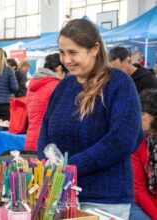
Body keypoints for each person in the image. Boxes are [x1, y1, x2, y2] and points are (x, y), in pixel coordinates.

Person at [38, 19, 143, 219]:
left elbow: (122, 139)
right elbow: (45, 130)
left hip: (104, 199)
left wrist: (70, 168)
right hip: (60, 194)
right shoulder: (63, 87)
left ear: (94, 49)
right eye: (62, 52)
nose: (66, 59)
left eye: (73, 52)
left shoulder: (119, 84)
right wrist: (48, 166)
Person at [25, 53, 66, 151]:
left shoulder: (32, 84)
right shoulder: (56, 85)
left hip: (31, 138)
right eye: (65, 72)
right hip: (48, 143)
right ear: (59, 68)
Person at [131, 89, 157, 220]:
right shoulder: (139, 142)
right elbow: (139, 190)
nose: (137, 117)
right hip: (145, 204)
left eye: (142, 114)